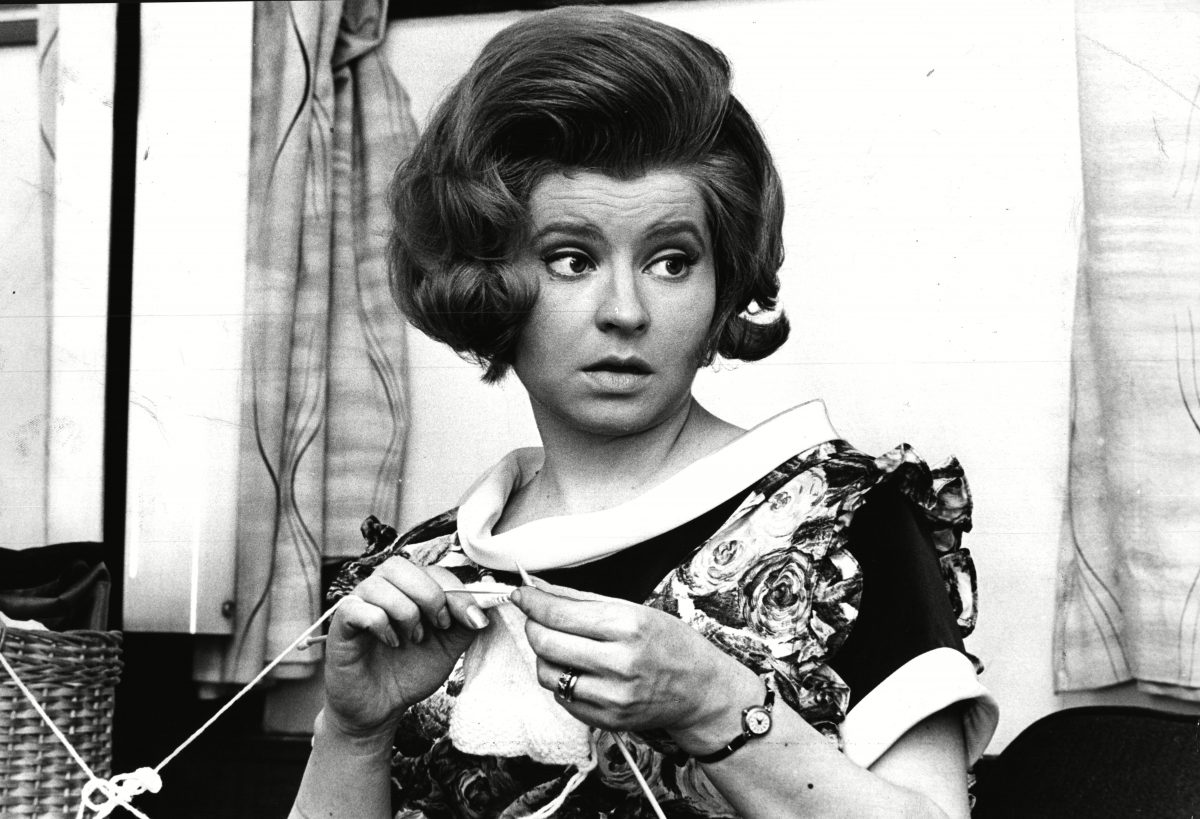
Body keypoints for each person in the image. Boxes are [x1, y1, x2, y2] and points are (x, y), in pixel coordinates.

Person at [290, 7, 997, 818]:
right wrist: (354, 733)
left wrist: (715, 705)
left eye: (671, 261)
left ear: (723, 285)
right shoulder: (429, 569)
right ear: (486, 282)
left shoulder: (849, 524)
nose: (624, 310)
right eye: (571, 259)